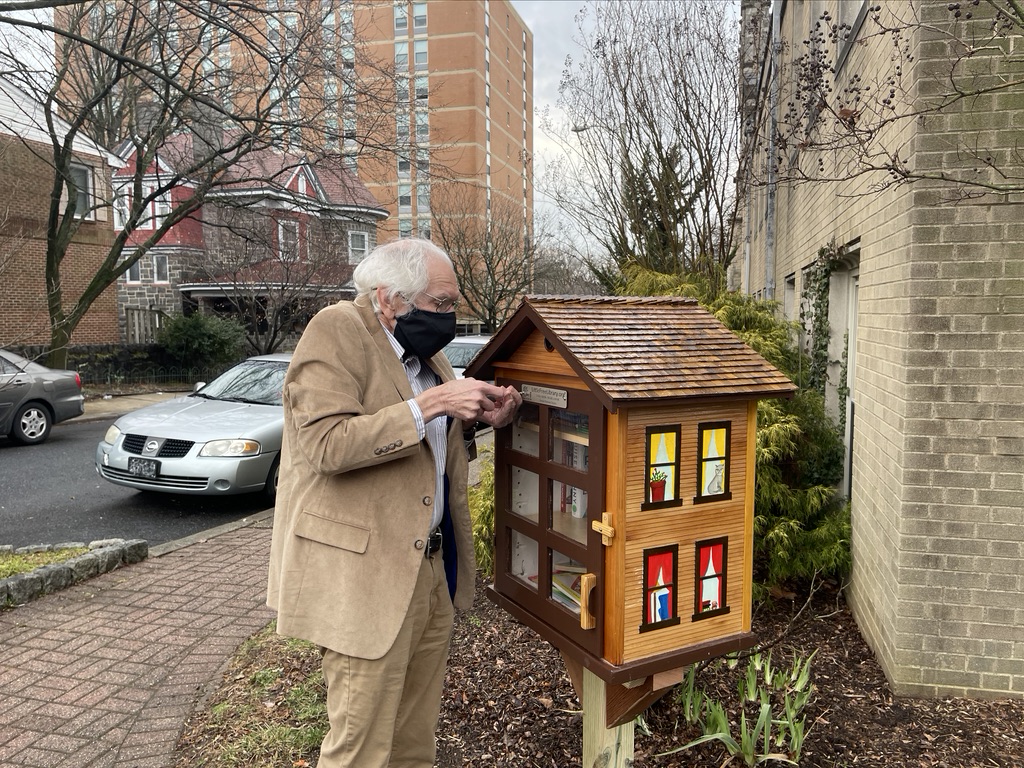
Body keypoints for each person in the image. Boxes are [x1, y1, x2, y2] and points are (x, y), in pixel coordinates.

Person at [267, 238, 521, 768]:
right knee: (361, 747)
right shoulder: (337, 330)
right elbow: (326, 445)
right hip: (365, 578)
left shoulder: (426, 355)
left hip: (429, 570)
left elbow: (430, 450)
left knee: (413, 739)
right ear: (389, 299)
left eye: (454, 305)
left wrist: (477, 419)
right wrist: (430, 404)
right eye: (442, 304)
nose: (451, 318)